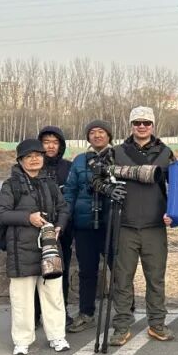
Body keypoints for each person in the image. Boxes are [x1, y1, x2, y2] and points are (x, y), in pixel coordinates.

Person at [0, 139, 71, 355]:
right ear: (20, 160)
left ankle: (57, 336)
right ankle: (22, 340)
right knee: (22, 299)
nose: (34, 159)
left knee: (53, 295)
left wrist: (60, 226)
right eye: (29, 156)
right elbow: (0, 214)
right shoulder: (11, 185)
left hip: (49, 247)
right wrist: (28, 218)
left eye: (38, 155)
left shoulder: (50, 183)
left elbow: (64, 208)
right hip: (21, 250)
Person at [108, 106, 176, 346]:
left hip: (154, 226)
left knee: (155, 278)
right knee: (122, 279)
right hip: (124, 225)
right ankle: (121, 326)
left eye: (146, 123)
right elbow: (98, 178)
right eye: (137, 122)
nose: (142, 127)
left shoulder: (166, 152)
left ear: (153, 125)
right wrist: (108, 189)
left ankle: (157, 323)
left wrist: (174, 213)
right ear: (131, 125)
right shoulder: (116, 152)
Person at [62, 120, 114, 333]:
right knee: (87, 271)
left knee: (118, 269)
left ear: (109, 135)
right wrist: (65, 217)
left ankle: (125, 311)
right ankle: (86, 313)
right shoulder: (80, 160)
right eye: (92, 132)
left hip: (112, 222)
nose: (97, 135)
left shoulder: (118, 157)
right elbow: (70, 191)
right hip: (84, 224)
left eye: (101, 131)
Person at [38, 126, 74, 323]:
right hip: (37, 227)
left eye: (55, 142)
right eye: (46, 142)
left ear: (61, 145)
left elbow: (72, 195)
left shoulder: (68, 167)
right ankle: (35, 312)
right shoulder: (33, 164)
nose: (50, 146)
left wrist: (64, 222)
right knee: (35, 272)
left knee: (61, 270)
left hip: (62, 228)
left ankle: (61, 311)